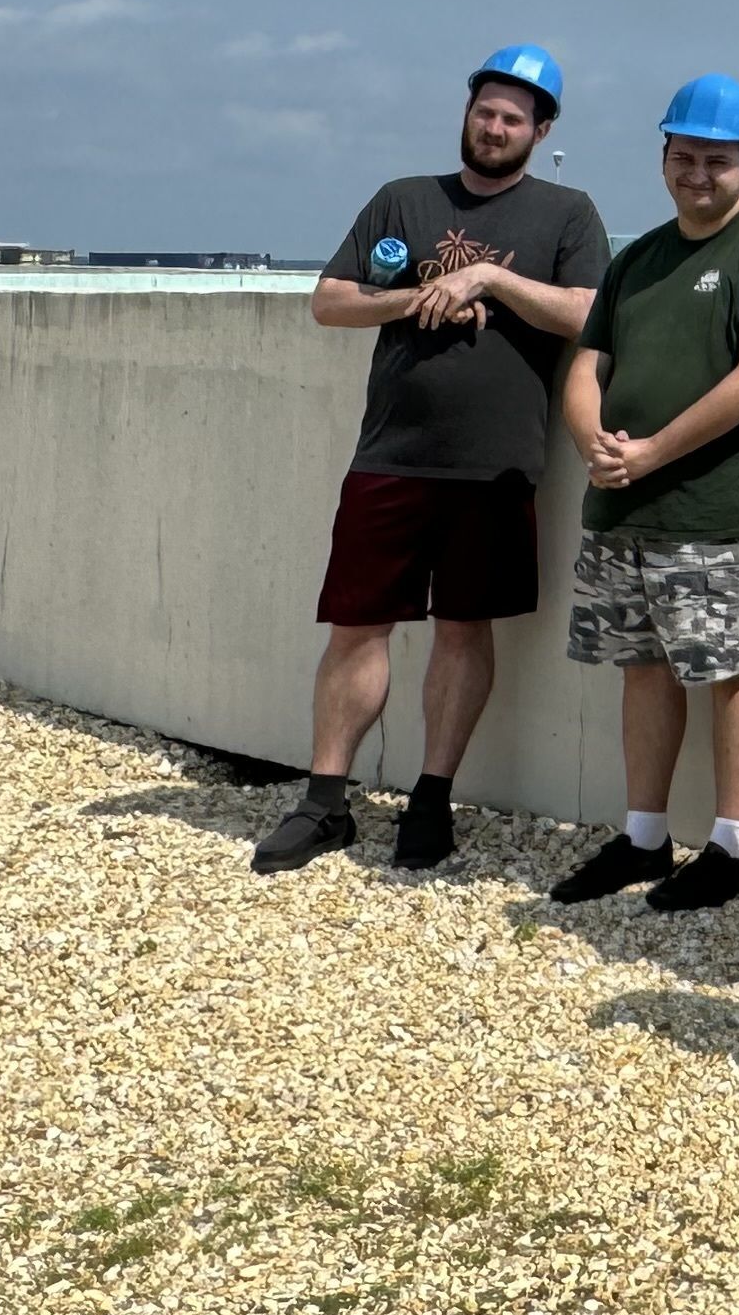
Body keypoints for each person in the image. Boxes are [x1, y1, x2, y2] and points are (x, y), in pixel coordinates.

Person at [253, 46, 609, 874]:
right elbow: (329, 300)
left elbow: (589, 312)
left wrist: (487, 277)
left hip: (496, 467)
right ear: (467, 112)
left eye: (514, 118)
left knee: (462, 629)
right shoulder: (404, 200)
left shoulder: (566, 214)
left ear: (542, 129)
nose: (494, 127)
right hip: (391, 454)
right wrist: (420, 296)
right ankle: (325, 801)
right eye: (485, 111)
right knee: (357, 626)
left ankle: (431, 799)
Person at [544, 77, 739, 915]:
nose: (697, 173)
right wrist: (593, 444)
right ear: (664, 158)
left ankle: (730, 848)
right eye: (683, 157)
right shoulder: (639, 256)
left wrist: (654, 453)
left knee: (731, 669)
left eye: (715, 160)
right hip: (625, 509)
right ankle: (642, 836)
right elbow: (588, 364)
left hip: (717, 510)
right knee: (642, 667)